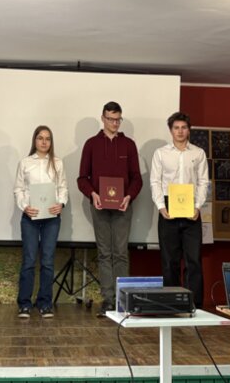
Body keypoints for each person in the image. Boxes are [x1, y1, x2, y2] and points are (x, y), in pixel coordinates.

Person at [77, 101, 143, 316]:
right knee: (104, 253)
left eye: (117, 119)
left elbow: (136, 178)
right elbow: (82, 178)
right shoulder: (91, 144)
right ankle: (107, 299)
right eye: (110, 119)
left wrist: (129, 196)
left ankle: (122, 300)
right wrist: (93, 194)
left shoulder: (129, 145)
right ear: (103, 118)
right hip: (99, 207)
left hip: (123, 207)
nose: (114, 123)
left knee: (121, 253)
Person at [150, 112, 209, 307]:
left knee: (194, 261)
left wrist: (198, 206)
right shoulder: (160, 153)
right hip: (168, 208)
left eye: (184, 127)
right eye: (176, 128)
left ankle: (195, 306)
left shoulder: (198, 153)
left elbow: (203, 182)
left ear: (189, 130)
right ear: (171, 130)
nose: (180, 131)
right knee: (169, 261)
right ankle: (172, 305)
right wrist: (161, 206)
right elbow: (155, 182)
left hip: (191, 208)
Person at [13, 126, 68, 319]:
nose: (44, 142)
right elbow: (18, 189)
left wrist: (61, 203)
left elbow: (63, 188)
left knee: (47, 261)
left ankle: (45, 303)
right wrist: (24, 206)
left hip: (51, 218)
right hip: (30, 217)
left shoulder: (58, 163)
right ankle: (24, 304)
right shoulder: (25, 162)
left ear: (51, 142)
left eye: (47, 139)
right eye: (40, 138)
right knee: (29, 260)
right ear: (34, 141)